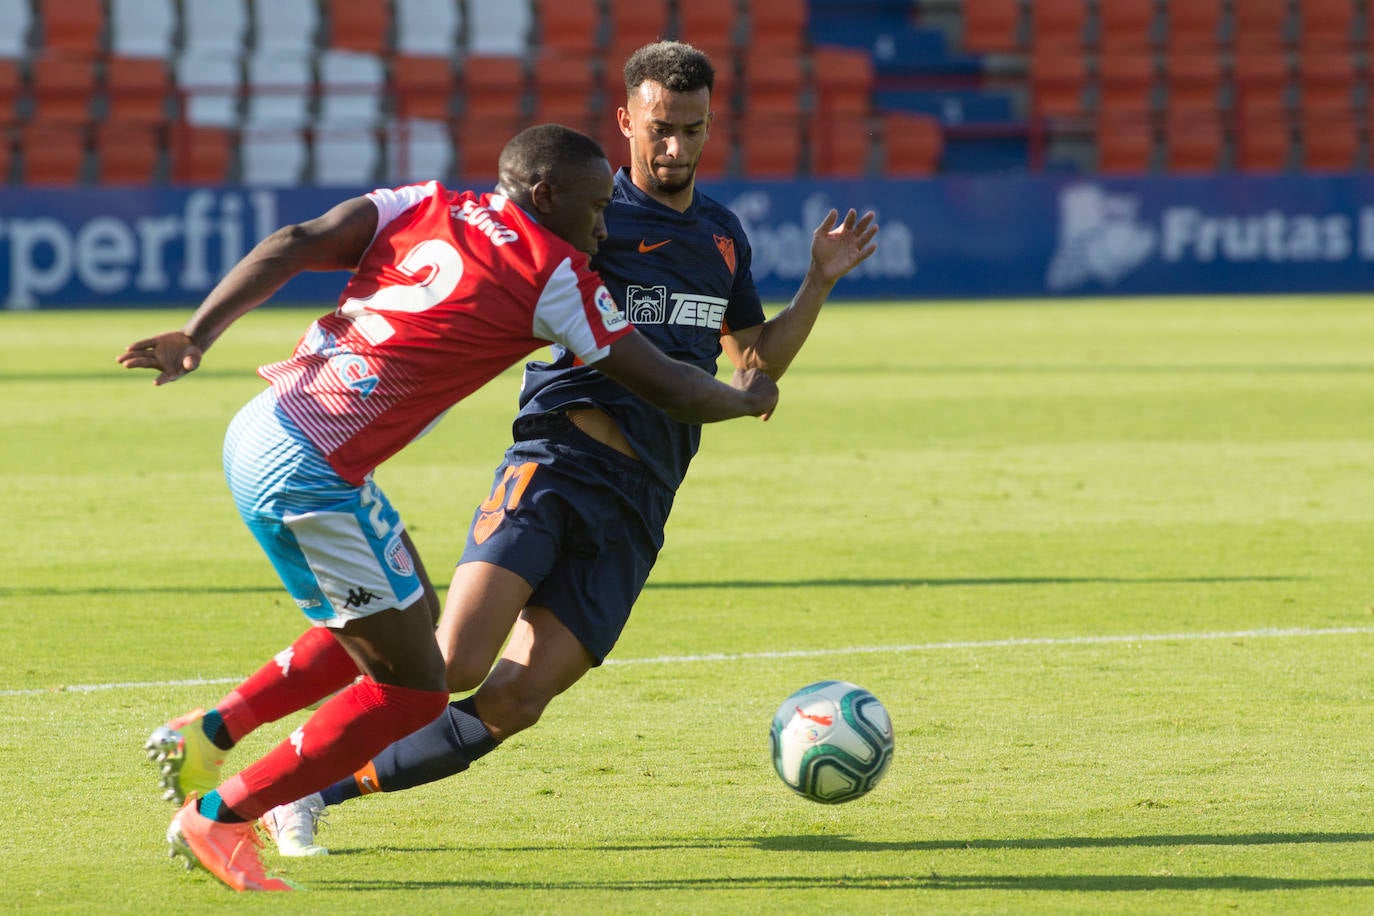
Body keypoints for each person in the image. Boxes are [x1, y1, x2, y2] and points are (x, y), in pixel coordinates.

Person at [256, 40, 879, 858]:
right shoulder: (587, 218)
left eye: (692, 130)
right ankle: (275, 782)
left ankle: (319, 792)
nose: (675, 148)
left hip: (642, 502)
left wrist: (818, 285)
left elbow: (753, 361)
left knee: (515, 700)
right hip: (555, 465)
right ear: (626, 120)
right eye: (660, 128)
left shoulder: (723, 238)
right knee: (452, 662)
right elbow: (495, 255)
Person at [121, 122, 778, 893]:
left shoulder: (421, 202)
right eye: (596, 207)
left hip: (266, 426)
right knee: (413, 691)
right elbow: (664, 383)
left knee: (406, 622)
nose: (605, 224)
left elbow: (297, 239)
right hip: (310, 473)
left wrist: (197, 335)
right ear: (546, 196)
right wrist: (744, 399)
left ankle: (206, 735)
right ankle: (223, 817)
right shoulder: (555, 274)